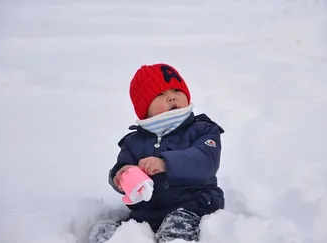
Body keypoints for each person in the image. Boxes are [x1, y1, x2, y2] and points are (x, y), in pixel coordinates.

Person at [89, 63, 225, 243]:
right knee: (105, 232)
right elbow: (123, 166)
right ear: (145, 107)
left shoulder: (203, 129)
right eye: (161, 94)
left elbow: (205, 161)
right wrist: (120, 175)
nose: (171, 97)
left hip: (193, 206)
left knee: (176, 230)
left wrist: (165, 163)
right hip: (147, 213)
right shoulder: (133, 141)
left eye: (176, 90)